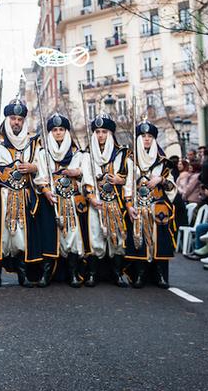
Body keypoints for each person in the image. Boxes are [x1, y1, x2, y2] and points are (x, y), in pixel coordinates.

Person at [0, 99, 42, 289]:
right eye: (13, 118)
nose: (16, 122)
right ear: (7, 119)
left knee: (21, 235)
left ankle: (22, 274)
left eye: (20, 119)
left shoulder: (33, 142)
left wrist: (33, 167)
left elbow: (43, 166)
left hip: (22, 194)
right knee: (0, 235)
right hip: (1, 194)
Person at [35, 113, 86, 288]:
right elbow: (40, 176)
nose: (58, 133)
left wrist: (77, 172)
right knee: (50, 235)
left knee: (71, 234)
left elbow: (86, 175)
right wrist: (46, 191)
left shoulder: (77, 153)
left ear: (66, 132)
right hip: (51, 199)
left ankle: (73, 273)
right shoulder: (43, 152)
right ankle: (47, 273)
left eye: (61, 130)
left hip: (71, 199)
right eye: (55, 130)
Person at [81, 114, 131, 288]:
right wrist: (91, 197)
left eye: (104, 132)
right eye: (97, 132)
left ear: (110, 133)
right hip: (96, 201)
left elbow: (129, 176)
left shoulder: (122, 154)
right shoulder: (87, 155)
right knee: (95, 236)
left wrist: (120, 180)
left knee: (116, 236)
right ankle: (92, 273)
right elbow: (86, 178)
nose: (100, 135)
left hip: (115, 202)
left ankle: (117, 273)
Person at [127, 120, 176, 289]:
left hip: (158, 205)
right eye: (143, 136)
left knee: (160, 239)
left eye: (149, 136)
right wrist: (128, 205)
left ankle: (161, 275)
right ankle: (139, 274)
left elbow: (171, 186)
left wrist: (160, 179)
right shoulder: (131, 160)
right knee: (138, 239)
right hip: (138, 205)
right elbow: (127, 185)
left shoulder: (163, 162)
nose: (146, 139)